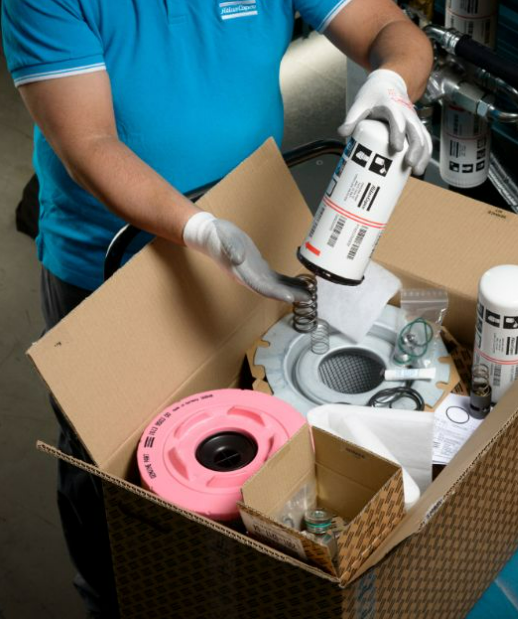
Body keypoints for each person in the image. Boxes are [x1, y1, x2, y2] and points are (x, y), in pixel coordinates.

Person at [2, 0, 433, 616]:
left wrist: (391, 81)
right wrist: (202, 230)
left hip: (247, 229)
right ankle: (110, 598)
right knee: (106, 461)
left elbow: (391, 29)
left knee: (234, 436)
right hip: (109, 267)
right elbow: (89, 142)